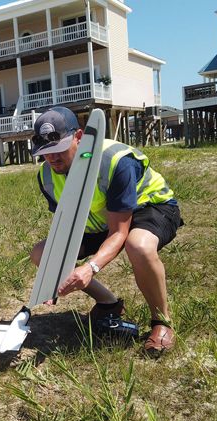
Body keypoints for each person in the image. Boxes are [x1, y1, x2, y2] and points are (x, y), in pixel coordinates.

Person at [29, 107, 183, 357]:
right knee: (42, 254)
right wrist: (53, 277)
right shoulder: (47, 176)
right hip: (98, 220)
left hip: (149, 206)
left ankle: (161, 322)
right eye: (46, 153)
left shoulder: (115, 160)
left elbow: (119, 232)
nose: (53, 158)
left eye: (60, 149)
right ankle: (109, 304)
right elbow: (66, 226)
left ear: (80, 136)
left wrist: (90, 268)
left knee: (138, 245)